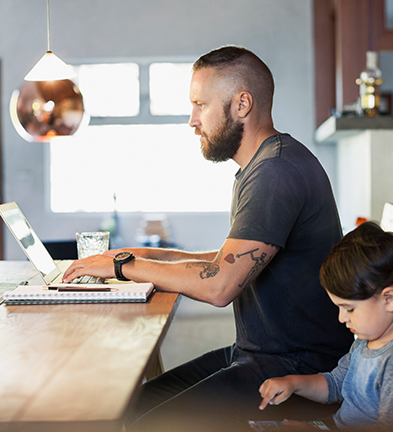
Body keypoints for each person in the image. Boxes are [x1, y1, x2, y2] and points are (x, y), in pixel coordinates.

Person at [62, 46, 353, 430]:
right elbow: (229, 259)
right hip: (262, 355)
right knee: (132, 405)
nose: (192, 120)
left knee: (148, 423)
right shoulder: (265, 164)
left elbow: (220, 285)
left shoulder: (275, 173)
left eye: (200, 105)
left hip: (297, 370)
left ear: (242, 104)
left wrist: (123, 267)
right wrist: (145, 254)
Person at [258, 222, 393, 431]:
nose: (341, 318)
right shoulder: (364, 342)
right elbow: (336, 384)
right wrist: (292, 383)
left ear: (389, 299)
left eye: (349, 309)